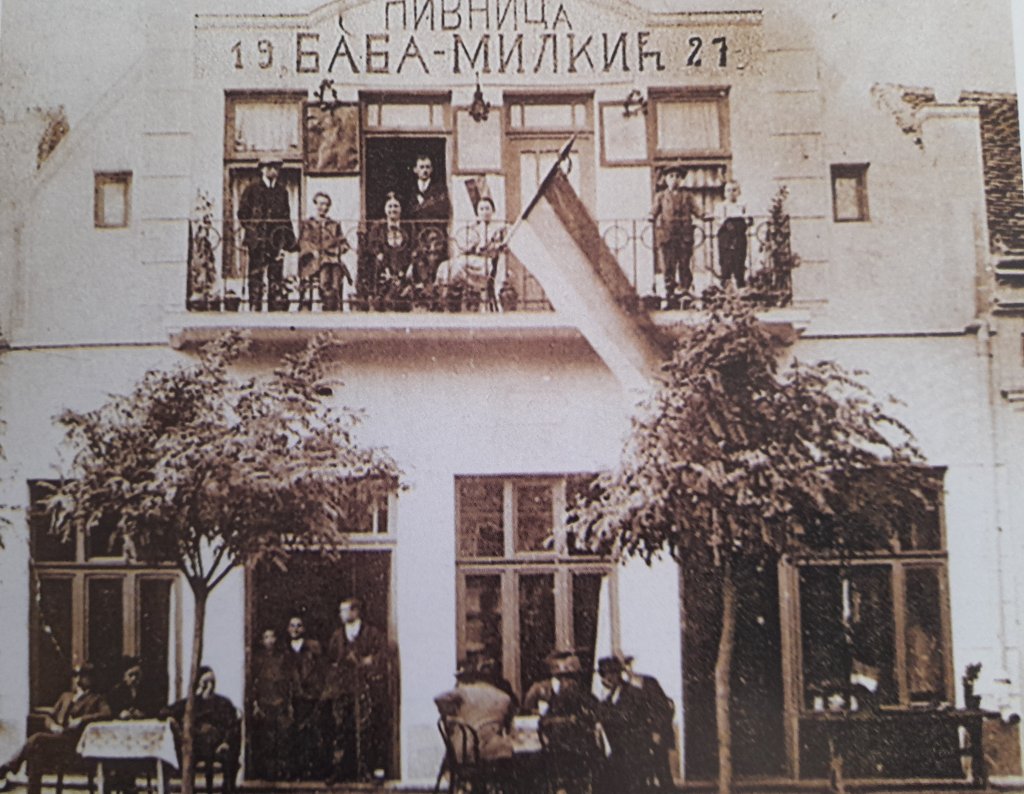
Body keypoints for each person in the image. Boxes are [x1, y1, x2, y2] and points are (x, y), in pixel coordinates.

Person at [0, 663, 111, 794]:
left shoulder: (96, 698)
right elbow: (49, 716)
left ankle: (8, 767)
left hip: (74, 742)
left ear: (91, 679)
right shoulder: (66, 696)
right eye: (76, 676)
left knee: (36, 739)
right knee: (35, 754)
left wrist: (81, 720)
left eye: (83, 676)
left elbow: (106, 714)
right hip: (57, 738)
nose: (78, 679)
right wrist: (52, 725)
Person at [322, 597, 389, 783]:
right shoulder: (337, 635)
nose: (341, 614)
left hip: (365, 688)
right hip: (343, 689)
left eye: (344, 610)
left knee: (366, 728)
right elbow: (330, 660)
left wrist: (368, 662)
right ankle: (340, 770)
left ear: (355, 611)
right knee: (341, 728)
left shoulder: (372, 633)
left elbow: (382, 656)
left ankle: (366, 770)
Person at [524, 652, 602, 794]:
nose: (567, 680)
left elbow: (592, 712)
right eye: (562, 676)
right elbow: (529, 711)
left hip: (573, 744)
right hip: (549, 743)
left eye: (570, 676)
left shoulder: (581, 692)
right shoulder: (541, 689)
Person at [163, 667, 241, 794]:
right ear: (200, 684)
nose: (210, 686)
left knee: (230, 758)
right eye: (206, 682)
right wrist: (173, 719)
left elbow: (232, 725)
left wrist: (226, 742)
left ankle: (227, 790)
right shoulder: (192, 702)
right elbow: (165, 711)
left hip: (218, 746)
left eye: (212, 682)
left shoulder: (223, 703)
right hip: (197, 747)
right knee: (187, 756)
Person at [238, 156, 297, 312]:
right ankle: (254, 306)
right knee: (255, 273)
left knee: (276, 275)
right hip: (257, 240)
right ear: (262, 169)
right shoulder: (252, 189)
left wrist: (289, 241)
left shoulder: (282, 191)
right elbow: (242, 214)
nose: (273, 171)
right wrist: (252, 230)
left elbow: (286, 217)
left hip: (276, 240)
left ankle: (274, 308)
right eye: (270, 167)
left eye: (276, 167)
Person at [434, 659, 515, 763]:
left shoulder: (465, 691)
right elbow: (508, 727)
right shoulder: (505, 698)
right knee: (509, 750)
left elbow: (439, 698)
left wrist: (449, 714)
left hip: (461, 749)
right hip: (481, 752)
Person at [650, 165, 703, 308]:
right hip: (667, 235)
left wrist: (704, 215)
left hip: (684, 235)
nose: (674, 179)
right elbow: (654, 211)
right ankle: (670, 294)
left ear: (681, 179)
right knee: (668, 265)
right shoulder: (661, 196)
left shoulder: (687, 196)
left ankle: (685, 292)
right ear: (666, 179)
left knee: (684, 264)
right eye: (671, 176)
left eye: (677, 176)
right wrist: (651, 216)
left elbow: (697, 210)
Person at [595, 656, 649, 794]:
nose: (607, 678)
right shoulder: (607, 698)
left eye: (611, 673)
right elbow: (599, 715)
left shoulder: (632, 694)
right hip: (617, 751)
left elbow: (625, 717)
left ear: (618, 674)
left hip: (633, 751)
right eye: (604, 674)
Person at [622, 656, 675, 789]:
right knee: (640, 773)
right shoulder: (625, 686)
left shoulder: (649, 683)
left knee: (662, 770)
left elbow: (662, 707)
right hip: (637, 736)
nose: (627, 669)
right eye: (624, 666)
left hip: (654, 733)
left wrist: (657, 731)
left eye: (629, 664)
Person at [283, 614, 324, 780]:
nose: (295, 629)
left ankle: (311, 771)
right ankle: (294, 771)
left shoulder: (313, 647)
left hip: (310, 698)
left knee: (310, 733)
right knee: (292, 735)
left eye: (299, 625)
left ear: (304, 628)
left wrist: (317, 692)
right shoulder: (284, 650)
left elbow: (321, 671)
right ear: (288, 629)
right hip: (292, 697)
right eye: (292, 626)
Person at [297, 192, 353, 311]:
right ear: (315, 205)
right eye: (321, 204)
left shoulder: (334, 225)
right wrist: (313, 250)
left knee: (336, 270)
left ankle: (332, 302)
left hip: (332, 260)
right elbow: (303, 242)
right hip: (313, 261)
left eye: (327, 205)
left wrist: (339, 249)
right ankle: (327, 298)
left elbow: (344, 243)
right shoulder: (308, 224)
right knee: (326, 270)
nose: (324, 207)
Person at [250, 629, 291, 781]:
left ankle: (282, 772)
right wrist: (255, 703)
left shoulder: (282, 658)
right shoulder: (257, 659)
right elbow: (253, 683)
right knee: (266, 738)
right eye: (266, 637)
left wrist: (287, 703)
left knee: (281, 737)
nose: (270, 640)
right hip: (264, 702)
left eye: (272, 636)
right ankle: (267, 773)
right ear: (262, 641)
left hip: (279, 701)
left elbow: (287, 682)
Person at [360, 193, 413, 310]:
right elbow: (373, 244)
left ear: (401, 209)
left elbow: (413, 246)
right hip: (384, 263)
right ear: (385, 209)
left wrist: (409, 265)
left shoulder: (408, 227)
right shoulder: (378, 227)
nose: (393, 210)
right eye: (390, 206)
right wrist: (379, 254)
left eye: (396, 206)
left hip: (403, 263)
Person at [714, 180, 752, 288]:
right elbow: (718, 221)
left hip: (739, 236)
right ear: (724, 192)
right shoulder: (721, 206)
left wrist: (745, 221)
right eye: (728, 190)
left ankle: (740, 285)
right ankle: (726, 287)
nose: (731, 193)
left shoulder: (742, 205)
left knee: (739, 262)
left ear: (739, 192)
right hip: (726, 238)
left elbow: (748, 220)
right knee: (726, 262)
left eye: (734, 190)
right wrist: (726, 223)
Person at [406, 154, 451, 225]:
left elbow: (442, 209)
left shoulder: (439, 188)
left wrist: (420, 207)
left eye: (427, 167)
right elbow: (407, 211)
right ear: (415, 169)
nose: (425, 170)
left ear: (431, 169)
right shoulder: (410, 189)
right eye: (421, 167)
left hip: (434, 228)